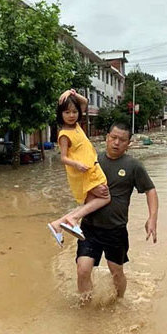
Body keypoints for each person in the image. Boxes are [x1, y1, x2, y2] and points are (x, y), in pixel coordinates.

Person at [76, 122, 158, 303]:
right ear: (107, 138)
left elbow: (150, 190)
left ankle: (119, 302)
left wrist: (152, 218)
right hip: (90, 227)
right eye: (113, 138)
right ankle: (85, 307)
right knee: (83, 269)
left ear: (128, 143)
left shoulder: (133, 166)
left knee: (116, 272)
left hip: (115, 230)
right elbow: (78, 188)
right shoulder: (93, 162)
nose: (116, 143)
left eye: (122, 140)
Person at [48, 89, 111, 247]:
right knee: (105, 196)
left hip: (90, 168)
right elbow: (63, 158)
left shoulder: (76, 126)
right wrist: (77, 164)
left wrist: (71, 93)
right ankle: (73, 219)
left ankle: (58, 224)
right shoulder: (64, 134)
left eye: (74, 112)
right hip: (84, 172)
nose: (71, 115)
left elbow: (85, 102)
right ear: (60, 114)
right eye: (67, 112)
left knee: (89, 204)